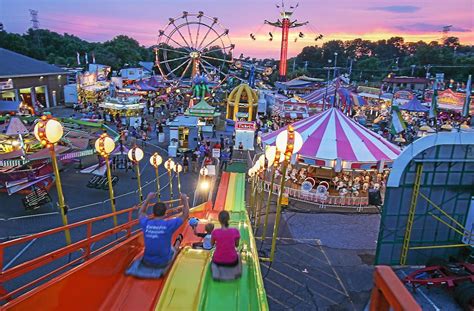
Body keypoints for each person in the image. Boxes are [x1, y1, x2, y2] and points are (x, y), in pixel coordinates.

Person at [138, 192, 190, 268]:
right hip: (163, 262)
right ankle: (178, 242)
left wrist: (148, 198)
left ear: (153, 213)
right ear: (165, 213)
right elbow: (185, 214)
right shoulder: (168, 225)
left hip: (147, 261)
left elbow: (141, 212)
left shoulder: (146, 223)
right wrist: (185, 199)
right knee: (175, 249)